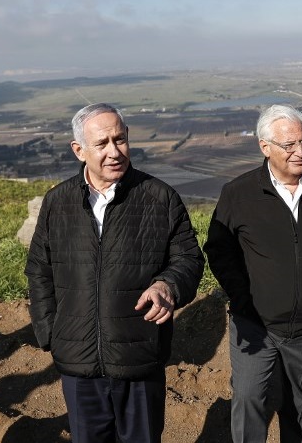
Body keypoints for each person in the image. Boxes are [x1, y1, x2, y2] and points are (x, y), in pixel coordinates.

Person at [24, 102, 204, 443]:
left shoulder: (160, 198)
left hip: (139, 356)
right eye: (102, 143)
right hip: (78, 363)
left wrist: (168, 285)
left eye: (119, 140)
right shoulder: (58, 202)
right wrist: (51, 332)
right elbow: (38, 270)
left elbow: (190, 260)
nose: (114, 151)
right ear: (79, 150)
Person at [203, 104, 302, 443]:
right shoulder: (239, 193)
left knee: (300, 404)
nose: (300, 151)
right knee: (249, 400)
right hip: (254, 325)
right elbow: (220, 250)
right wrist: (243, 299)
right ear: (265, 147)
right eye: (289, 145)